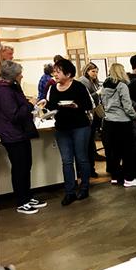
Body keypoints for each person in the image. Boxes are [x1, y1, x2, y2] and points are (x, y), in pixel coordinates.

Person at [0, 61, 47, 214]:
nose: (22, 75)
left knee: (26, 167)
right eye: (20, 74)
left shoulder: (12, 87)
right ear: (13, 76)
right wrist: (30, 105)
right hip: (12, 135)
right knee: (19, 169)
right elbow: (14, 115)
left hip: (20, 133)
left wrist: (31, 105)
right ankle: (21, 201)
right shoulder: (3, 91)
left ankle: (28, 196)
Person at [44, 59, 93, 206]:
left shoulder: (78, 86)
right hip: (62, 128)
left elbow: (88, 105)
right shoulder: (52, 88)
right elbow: (51, 106)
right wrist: (45, 106)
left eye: (58, 71)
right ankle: (69, 192)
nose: (55, 74)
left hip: (80, 127)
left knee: (81, 158)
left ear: (69, 73)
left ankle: (84, 188)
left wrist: (75, 105)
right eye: (55, 71)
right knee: (66, 161)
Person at [101, 63, 136, 187]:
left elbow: (103, 103)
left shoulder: (104, 86)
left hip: (108, 122)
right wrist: (135, 116)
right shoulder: (122, 86)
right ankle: (129, 179)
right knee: (127, 152)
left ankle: (115, 177)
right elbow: (127, 106)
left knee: (114, 152)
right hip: (123, 123)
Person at [79, 62, 102, 178]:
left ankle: (91, 167)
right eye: (93, 71)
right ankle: (88, 170)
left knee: (91, 142)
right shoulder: (83, 82)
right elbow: (86, 99)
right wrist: (97, 93)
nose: (95, 74)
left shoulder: (94, 82)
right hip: (88, 116)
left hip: (95, 114)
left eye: (96, 71)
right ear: (87, 71)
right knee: (87, 144)